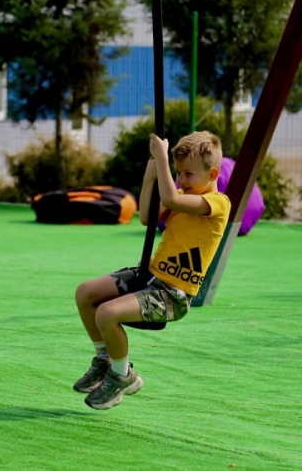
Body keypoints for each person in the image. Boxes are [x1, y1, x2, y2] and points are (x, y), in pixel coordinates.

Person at [74, 131, 232, 410]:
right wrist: (150, 177)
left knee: (107, 313)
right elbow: (147, 217)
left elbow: (170, 200)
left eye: (187, 174)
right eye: (179, 173)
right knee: (86, 293)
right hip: (149, 276)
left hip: (172, 294)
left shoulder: (217, 204)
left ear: (213, 173)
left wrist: (161, 158)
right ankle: (104, 358)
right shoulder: (183, 194)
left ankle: (121, 376)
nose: (181, 180)